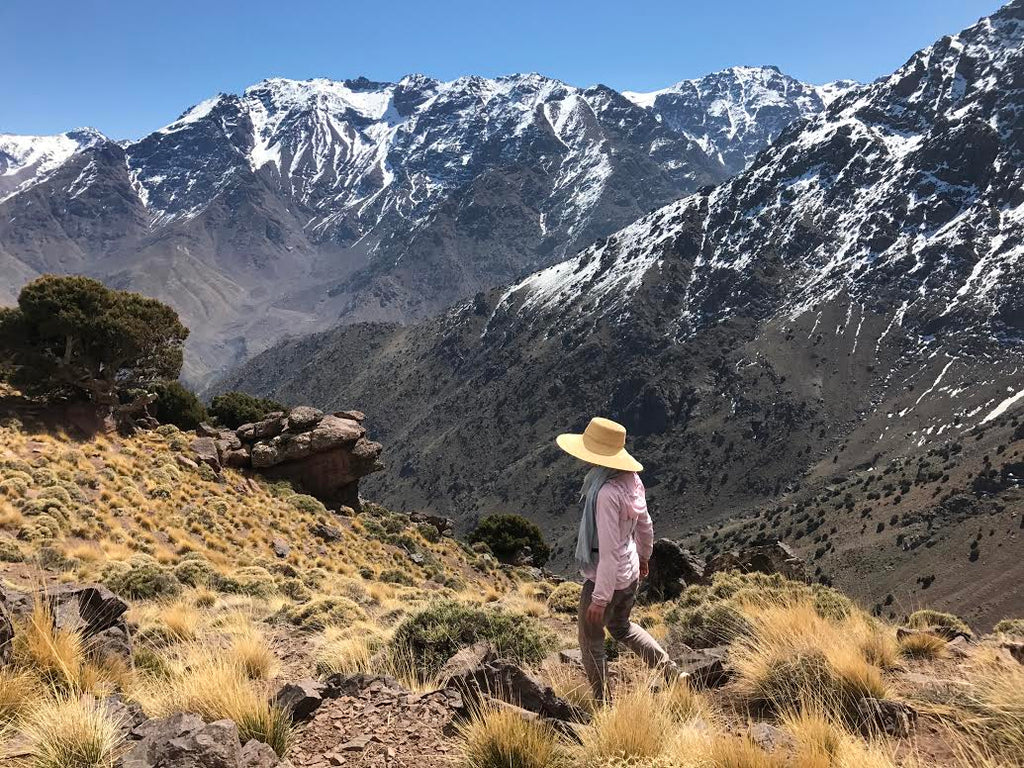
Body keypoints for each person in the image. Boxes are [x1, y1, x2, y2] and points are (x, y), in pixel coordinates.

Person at [556, 416, 678, 703]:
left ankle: (603, 703)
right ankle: (669, 670)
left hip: (605, 577)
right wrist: (644, 557)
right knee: (622, 627)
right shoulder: (632, 481)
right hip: (630, 572)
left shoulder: (606, 493)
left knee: (590, 643)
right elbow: (646, 525)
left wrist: (599, 598)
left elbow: (608, 550)